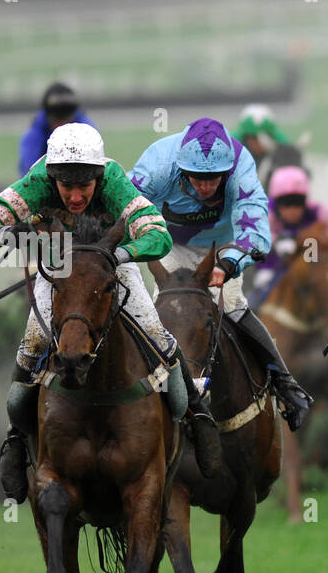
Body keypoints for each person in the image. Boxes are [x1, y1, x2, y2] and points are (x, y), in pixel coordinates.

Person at [0, 123, 222, 503]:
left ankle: (196, 416)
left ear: (99, 177)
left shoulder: (115, 180)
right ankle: (16, 439)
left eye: (83, 186)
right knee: (33, 345)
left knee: (158, 337)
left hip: (111, 265)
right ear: (51, 177)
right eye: (65, 186)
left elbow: (159, 236)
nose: (73, 195)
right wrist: (11, 234)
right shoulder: (37, 181)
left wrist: (117, 255)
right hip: (59, 268)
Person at [129, 117, 312, 430]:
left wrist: (227, 263)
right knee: (169, 311)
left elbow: (255, 228)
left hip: (222, 245)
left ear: (226, 170)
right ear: (181, 166)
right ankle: (146, 397)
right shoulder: (158, 163)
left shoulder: (241, 164)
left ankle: (286, 385)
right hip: (169, 244)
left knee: (233, 304)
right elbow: (123, 205)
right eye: (197, 177)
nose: (205, 185)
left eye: (213, 178)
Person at [248, 165, 328, 309]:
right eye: (286, 203)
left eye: (298, 202)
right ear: (276, 202)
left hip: (311, 272)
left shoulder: (317, 212)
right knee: (257, 296)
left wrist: (324, 237)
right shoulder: (264, 212)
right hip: (273, 270)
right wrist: (275, 241)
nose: (293, 209)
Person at [18, 82, 94, 177]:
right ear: (47, 116)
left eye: (66, 119)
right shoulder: (35, 135)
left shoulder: (87, 131)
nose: (62, 125)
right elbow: (28, 173)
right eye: (57, 119)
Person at [232, 103, 291, 177]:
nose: (258, 143)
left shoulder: (279, 157)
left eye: (264, 137)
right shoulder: (234, 155)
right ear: (246, 138)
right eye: (253, 138)